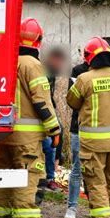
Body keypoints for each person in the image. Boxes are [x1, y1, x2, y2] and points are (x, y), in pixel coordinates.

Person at [0, 17, 61, 218]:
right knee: (27, 175)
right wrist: (55, 129)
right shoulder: (33, 65)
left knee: (4, 174)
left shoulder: (4, 59)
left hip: (3, 133)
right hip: (27, 138)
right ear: (38, 40)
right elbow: (41, 100)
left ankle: (0, 217)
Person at [67, 37, 110, 218]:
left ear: (89, 58)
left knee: (96, 182)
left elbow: (72, 102)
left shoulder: (85, 79)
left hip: (92, 142)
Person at [64, 59, 89, 218]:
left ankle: (98, 208)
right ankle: (72, 207)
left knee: (98, 172)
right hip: (79, 127)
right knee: (77, 169)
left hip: (99, 130)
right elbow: (72, 100)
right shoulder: (78, 71)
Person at [42, 46, 68, 192]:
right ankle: (50, 177)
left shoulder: (52, 72)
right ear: (53, 59)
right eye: (59, 62)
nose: (60, 65)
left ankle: (52, 175)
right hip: (41, 112)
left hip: (49, 109)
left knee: (59, 134)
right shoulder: (42, 71)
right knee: (51, 140)